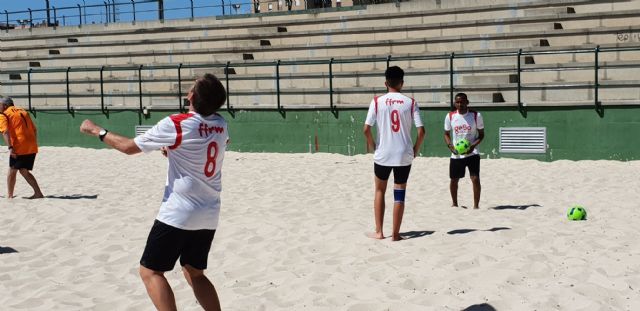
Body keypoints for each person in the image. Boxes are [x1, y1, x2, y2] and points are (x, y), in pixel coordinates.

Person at [80, 74, 228, 311]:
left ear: (191, 97)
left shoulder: (177, 123)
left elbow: (129, 148)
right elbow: (208, 148)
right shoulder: (221, 124)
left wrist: (97, 130)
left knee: (150, 271)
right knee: (195, 273)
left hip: (179, 212)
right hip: (209, 212)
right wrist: (175, 152)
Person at [363, 66, 425, 241]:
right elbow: (422, 131)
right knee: (399, 194)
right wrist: (415, 149)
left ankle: (379, 232)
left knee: (379, 191)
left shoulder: (377, 101)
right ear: (402, 83)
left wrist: (373, 145)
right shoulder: (411, 102)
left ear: (385, 82)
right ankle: (396, 234)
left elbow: (366, 129)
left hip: (383, 153)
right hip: (403, 154)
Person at [443, 93, 485, 209]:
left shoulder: (476, 115)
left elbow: (481, 135)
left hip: (472, 153)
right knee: (454, 180)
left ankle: (476, 206)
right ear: (455, 103)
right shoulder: (450, 116)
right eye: (457, 102)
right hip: (457, 154)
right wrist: (450, 146)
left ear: (467, 102)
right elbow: (446, 134)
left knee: (475, 179)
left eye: (462, 102)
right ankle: (455, 204)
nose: (460, 104)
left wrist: (473, 146)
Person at [0, 96, 44, 199]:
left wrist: (10, 147)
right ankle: (38, 193)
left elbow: (5, 132)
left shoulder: (4, 114)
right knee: (24, 170)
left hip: (19, 145)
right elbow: (34, 130)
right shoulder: (23, 111)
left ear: (5, 105)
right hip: (31, 144)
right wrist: (33, 143)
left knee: (12, 169)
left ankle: (10, 195)